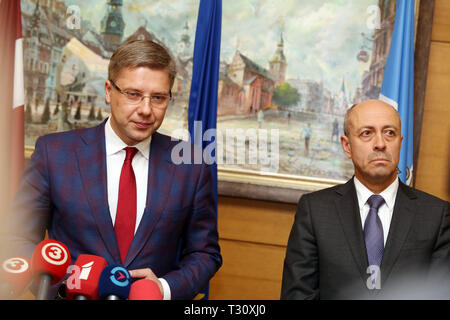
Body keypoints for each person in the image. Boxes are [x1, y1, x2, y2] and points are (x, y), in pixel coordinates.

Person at [6, 40, 222, 300]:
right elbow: (17, 238)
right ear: (109, 91)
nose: (145, 109)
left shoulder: (191, 164)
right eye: (133, 94)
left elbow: (204, 253)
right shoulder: (54, 153)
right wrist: (67, 287)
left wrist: (161, 289)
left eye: (158, 98)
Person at [281, 99, 449, 299]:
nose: (380, 144)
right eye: (367, 133)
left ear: (400, 142)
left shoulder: (437, 215)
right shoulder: (315, 211)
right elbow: (298, 295)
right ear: (347, 146)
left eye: (389, 133)